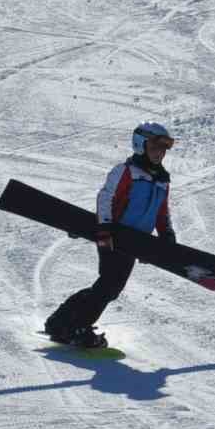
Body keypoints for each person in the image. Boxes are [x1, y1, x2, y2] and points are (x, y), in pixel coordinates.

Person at [43, 122, 177, 348]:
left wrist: (167, 234)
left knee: (109, 287)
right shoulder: (126, 171)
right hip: (114, 235)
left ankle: (60, 322)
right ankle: (77, 326)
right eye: (155, 147)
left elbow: (161, 211)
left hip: (135, 242)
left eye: (163, 149)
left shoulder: (162, 180)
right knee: (109, 285)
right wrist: (105, 228)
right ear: (140, 145)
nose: (160, 153)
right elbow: (106, 197)